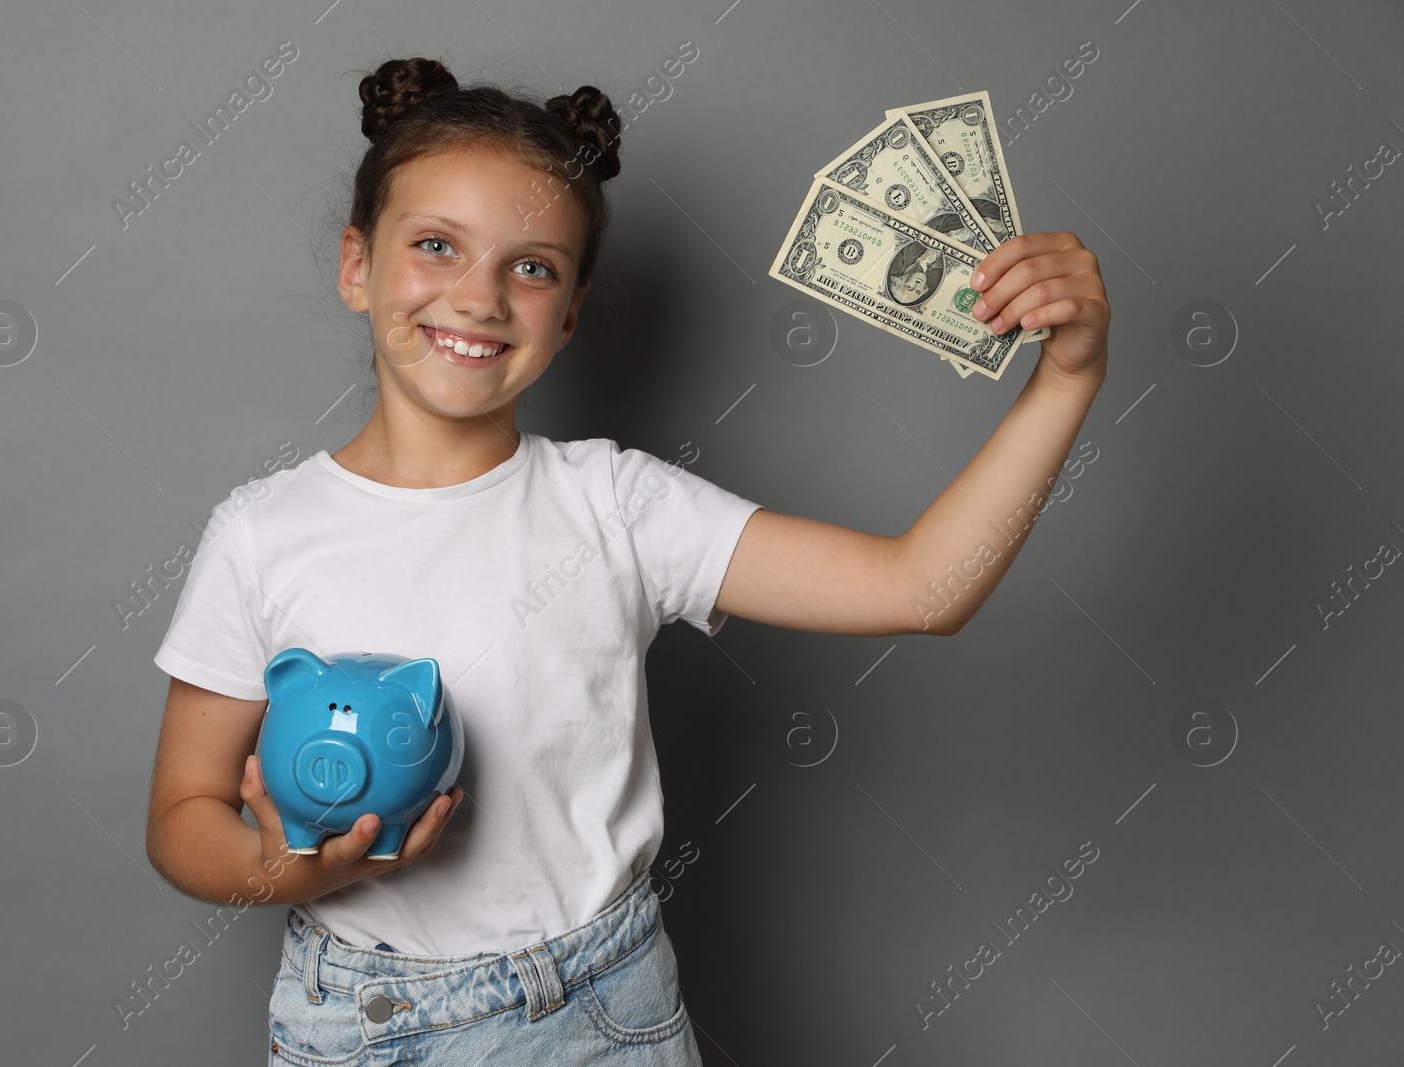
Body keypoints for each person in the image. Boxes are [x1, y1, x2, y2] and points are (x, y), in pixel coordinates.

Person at [143, 54, 1111, 1066]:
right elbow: (182, 817)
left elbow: (922, 587)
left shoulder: (619, 504)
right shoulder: (261, 531)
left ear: (568, 313)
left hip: (599, 1011)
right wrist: (298, 871)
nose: (477, 296)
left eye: (531, 266)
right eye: (436, 245)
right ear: (358, 266)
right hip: (363, 1020)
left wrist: (1067, 378)